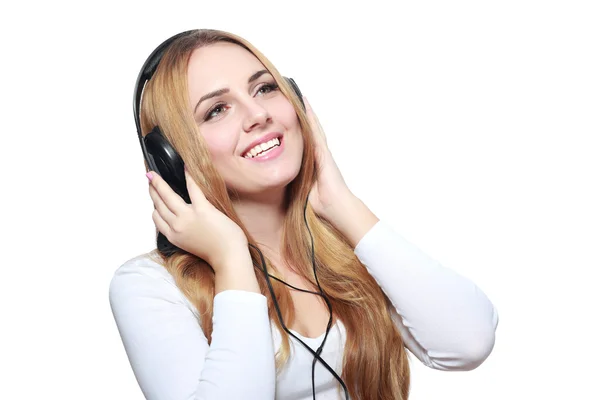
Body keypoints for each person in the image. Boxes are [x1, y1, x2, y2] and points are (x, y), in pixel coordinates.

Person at [109, 29, 499, 400]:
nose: (258, 113)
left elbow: (468, 343)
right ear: (171, 159)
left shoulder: (348, 246)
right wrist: (231, 258)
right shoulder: (149, 286)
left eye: (264, 88)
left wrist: (341, 202)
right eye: (217, 110)